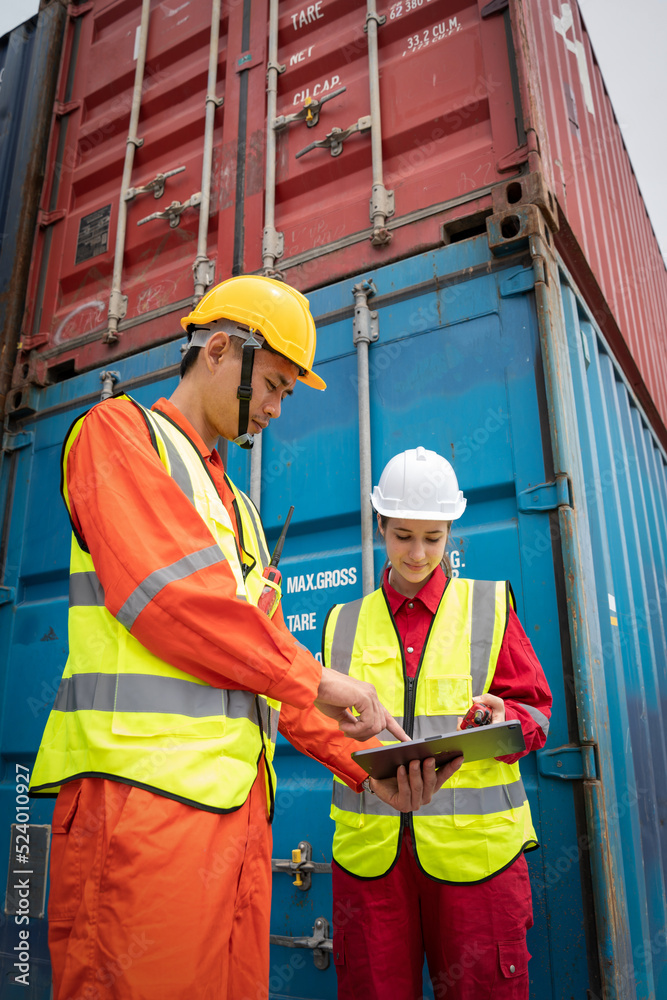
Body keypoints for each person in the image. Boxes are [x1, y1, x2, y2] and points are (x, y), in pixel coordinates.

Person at [28, 278, 456, 1000]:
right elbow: (173, 603)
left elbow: (268, 675)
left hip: (236, 825)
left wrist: (374, 766)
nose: (276, 409)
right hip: (140, 814)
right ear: (220, 350)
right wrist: (319, 678)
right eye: (276, 386)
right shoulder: (118, 435)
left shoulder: (246, 517)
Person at [322, 447, 553, 1000]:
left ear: (451, 530)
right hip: (371, 864)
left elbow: (537, 711)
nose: (418, 553)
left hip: (477, 863)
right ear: (380, 526)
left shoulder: (489, 607)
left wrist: (508, 718)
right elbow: (322, 729)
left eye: (433, 536)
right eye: (403, 536)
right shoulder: (342, 623)